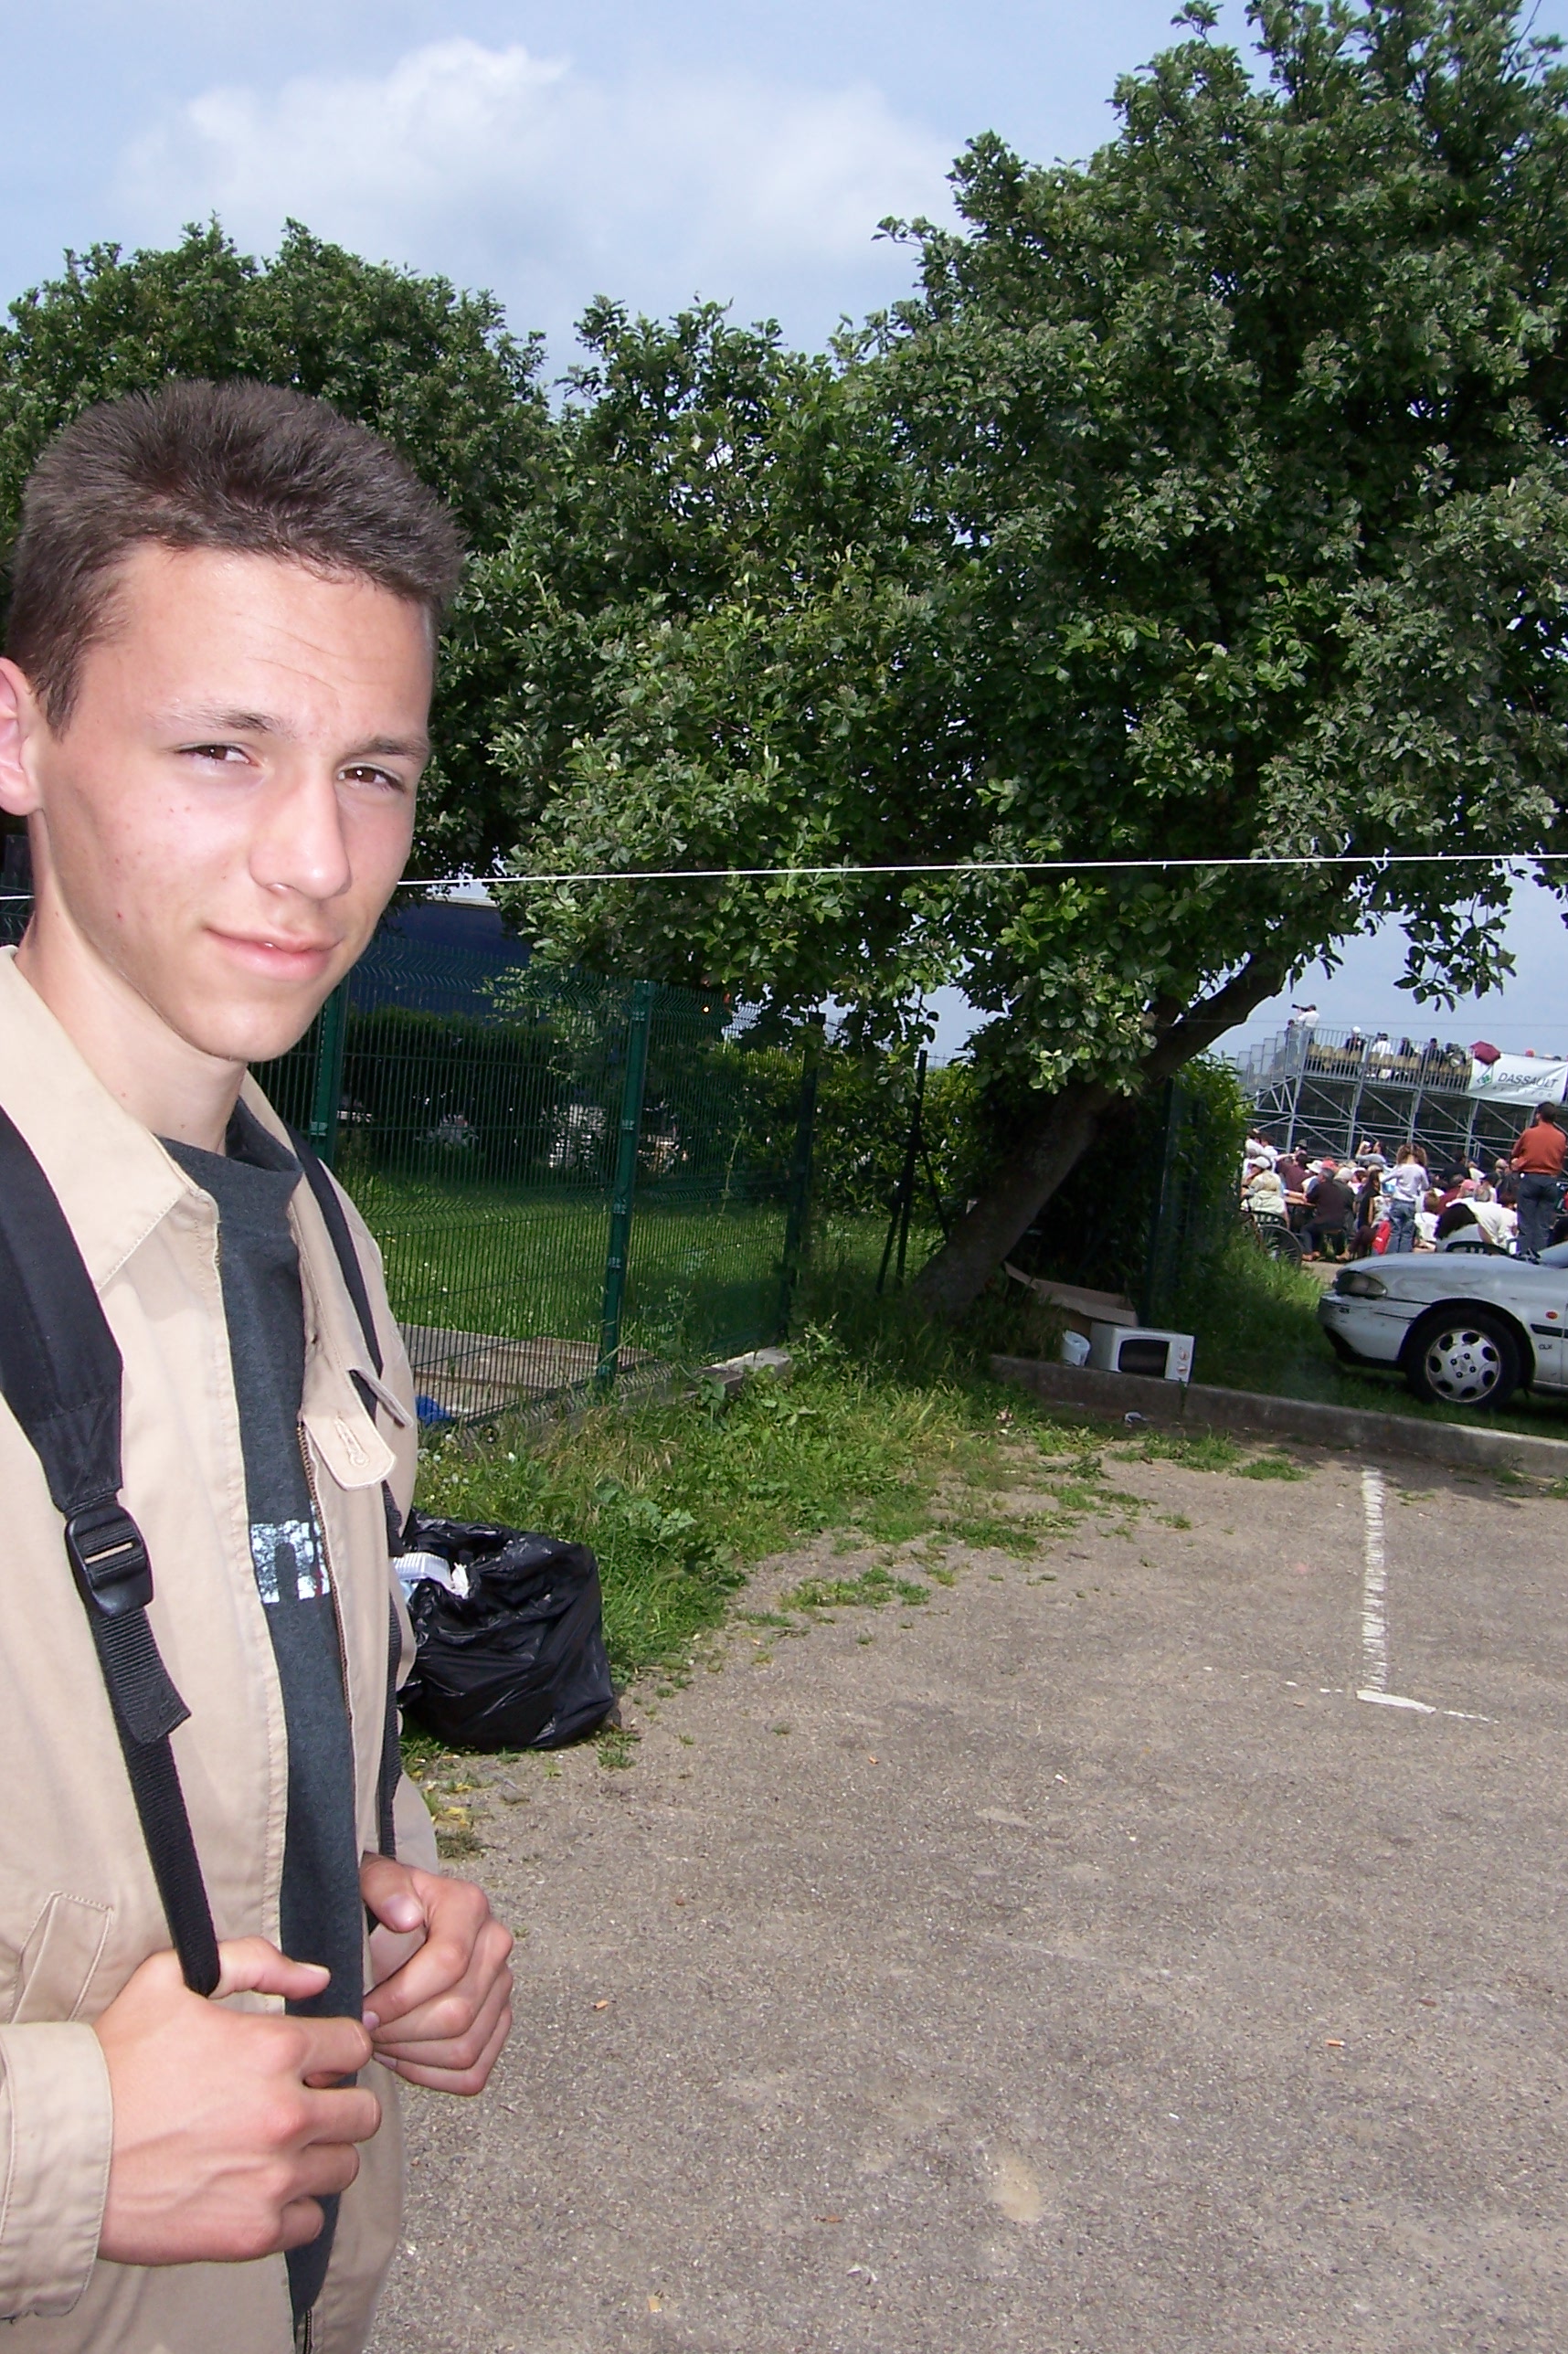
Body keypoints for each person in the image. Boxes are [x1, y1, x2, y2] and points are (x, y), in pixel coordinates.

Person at [0, 382, 514, 2352]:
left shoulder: (317, 1237)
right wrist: (68, 2146)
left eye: (373, 771)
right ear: (20, 738)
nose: (316, 858)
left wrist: (398, 1895)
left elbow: (288, 1695)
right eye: (223, 750)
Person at [1510, 1100, 1567, 1259]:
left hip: (1531, 1178)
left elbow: (1515, 1153)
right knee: (1543, 1226)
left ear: (1538, 1116)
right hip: (1550, 1181)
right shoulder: (1561, 1137)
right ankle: (1539, 1258)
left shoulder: (1529, 1133)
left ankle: (1522, 1257)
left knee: (1526, 1224)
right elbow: (1561, 1158)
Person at [1381, 1143, 1428, 1253]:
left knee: (1395, 1232)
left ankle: (1391, 1256)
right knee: (1407, 1234)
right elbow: (1425, 1186)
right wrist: (1417, 1188)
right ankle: (1403, 1256)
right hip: (1410, 1202)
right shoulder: (1420, 1170)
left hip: (1397, 1201)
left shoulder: (1400, 1168)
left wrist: (1390, 1190)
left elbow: (1384, 1179)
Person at [1302, 1161, 1353, 1259]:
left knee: (1306, 1229)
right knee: (1316, 1226)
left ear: (1323, 1178)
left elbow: (1309, 1198)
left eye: (1319, 1175)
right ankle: (1317, 1251)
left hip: (1325, 1221)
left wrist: (1305, 1196)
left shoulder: (1320, 1187)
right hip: (1340, 1223)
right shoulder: (1337, 1189)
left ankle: (1308, 1253)